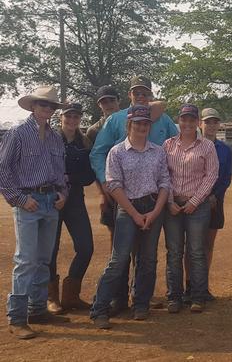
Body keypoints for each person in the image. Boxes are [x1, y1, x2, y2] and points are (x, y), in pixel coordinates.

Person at [90, 76, 177, 315]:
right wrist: (107, 186)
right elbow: (98, 153)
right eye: (136, 92)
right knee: (120, 256)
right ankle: (113, 301)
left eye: (145, 92)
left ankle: (141, 301)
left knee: (147, 258)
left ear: (150, 94)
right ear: (129, 94)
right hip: (122, 197)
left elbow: (177, 147)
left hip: (153, 199)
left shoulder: (164, 120)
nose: (140, 95)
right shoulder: (116, 121)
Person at [0, 86, 69, 339]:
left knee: (43, 259)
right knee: (26, 260)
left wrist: (63, 193)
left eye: (51, 106)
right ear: (33, 107)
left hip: (51, 200)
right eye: (43, 105)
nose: (47, 109)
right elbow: (3, 170)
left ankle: (37, 309)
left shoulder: (54, 137)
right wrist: (19, 198)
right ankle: (17, 318)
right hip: (29, 201)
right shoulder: (17, 134)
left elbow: (61, 170)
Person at [163, 104, 218, 313]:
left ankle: (197, 296)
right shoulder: (168, 145)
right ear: (179, 121)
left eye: (191, 119)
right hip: (173, 204)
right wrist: (169, 201)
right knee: (174, 252)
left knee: (196, 251)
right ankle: (174, 297)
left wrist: (194, 201)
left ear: (197, 122)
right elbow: (163, 175)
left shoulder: (206, 147)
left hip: (198, 205)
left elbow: (211, 175)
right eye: (183, 119)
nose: (187, 123)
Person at [47, 103, 96, 315]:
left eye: (76, 117)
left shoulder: (84, 143)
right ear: (61, 118)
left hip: (75, 199)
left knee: (86, 247)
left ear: (80, 119)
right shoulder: (49, 139)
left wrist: (69, 178)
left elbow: (89, 176)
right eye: (68, 116)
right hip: (52, 199)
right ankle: (51, 297)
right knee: (50, 249)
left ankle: (71, 295)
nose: (72, 120)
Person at [183, 108, 232, 303]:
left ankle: (202, 285)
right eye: (208, 122)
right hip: (192, 199)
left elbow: (225, 177)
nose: (211, 126)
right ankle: (189, 285)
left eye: (215, 122)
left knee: (207, 245)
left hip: (214, 201)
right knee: (191, 245)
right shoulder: (192, 145)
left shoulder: (225, 150)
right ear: (201, 124)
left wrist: (214, 195)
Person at [87, 85, 121, 242]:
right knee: (115, 233)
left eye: (111, 100)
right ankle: (118, 267)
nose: (108, 105)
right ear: (99, 105)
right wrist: (102, 193)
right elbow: (94, 162)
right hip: (109, 186)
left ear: (119, 101)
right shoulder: (93, 131)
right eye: (104, 102)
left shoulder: (131, 122)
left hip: (133, 185)